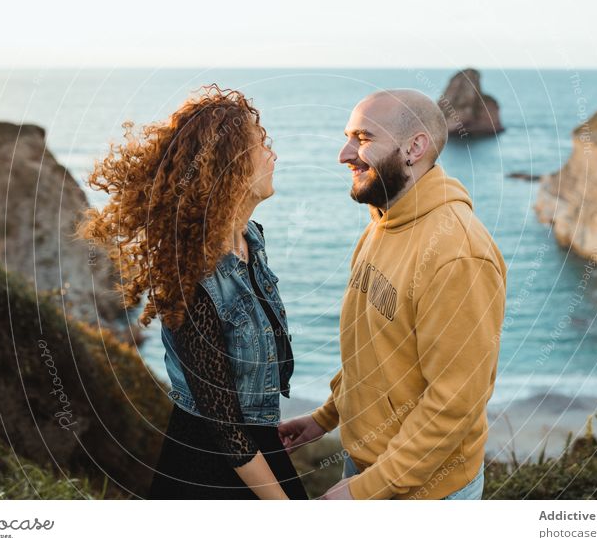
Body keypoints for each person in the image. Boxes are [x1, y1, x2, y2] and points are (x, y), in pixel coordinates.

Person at [78, 84, 307, 500]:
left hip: (256, 446)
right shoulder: (191, 277)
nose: (272, 153)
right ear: (229, 164)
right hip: (212, 470)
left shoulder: (250, 241)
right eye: (261, 145)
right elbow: (224, 428)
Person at [278, 89, 507, 500]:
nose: (344, 154)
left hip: (425, 492)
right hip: (371, 465)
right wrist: (326, 417)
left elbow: (453, 405)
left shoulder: (458, 255)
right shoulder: (382, 222)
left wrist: (366, 491)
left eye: (362, 139)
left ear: (414, 147)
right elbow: (376, 351)